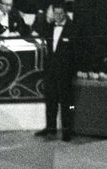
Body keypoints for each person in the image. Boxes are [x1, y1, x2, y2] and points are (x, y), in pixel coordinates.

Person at [34, 4, 76, 141]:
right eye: (56, 13)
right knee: (50, 100)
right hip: (51, 71)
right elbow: (38, 31)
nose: (58, 16)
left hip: (65, 72)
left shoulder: (72, 28)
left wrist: (72, 71)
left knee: (66, 103)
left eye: (60, 14)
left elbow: (77, 52)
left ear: (65, 14)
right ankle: (50, 128)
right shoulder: (50, 26)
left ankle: (67, 132)